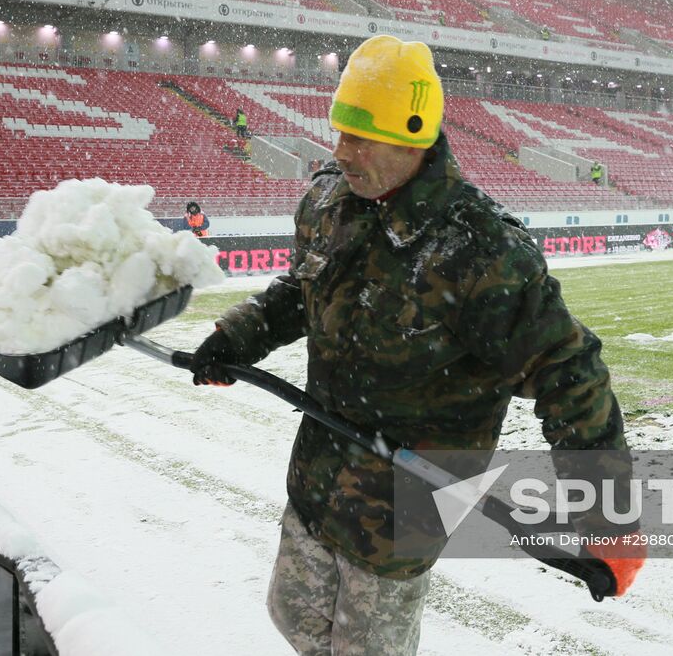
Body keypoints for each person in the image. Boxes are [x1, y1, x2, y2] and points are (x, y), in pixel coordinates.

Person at [189, 35, 640, 654]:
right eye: (339, 132)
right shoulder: (330, 201)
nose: (341, 152)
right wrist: (235, 336)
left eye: (361, 137)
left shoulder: (479, 250)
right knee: (292, 615)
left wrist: (607, 516)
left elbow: (569, 371)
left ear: (414, 135)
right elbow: (302, 290)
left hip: (403, 506)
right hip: (318, 475)